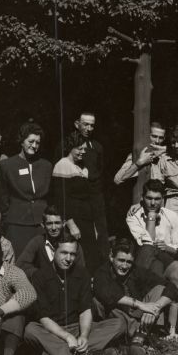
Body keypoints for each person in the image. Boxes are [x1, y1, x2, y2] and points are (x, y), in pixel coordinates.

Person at [24, 231, 124, 355]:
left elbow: (85, 310)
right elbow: (43, 318)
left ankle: (58, 353)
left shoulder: (82, 274)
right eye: (64, 253)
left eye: (72, 254)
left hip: (76, 327)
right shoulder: (40, 276)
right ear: (54, 251)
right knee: (30, 330)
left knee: (118, 324)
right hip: (51, 331)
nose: (68, 258)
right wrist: (66, 337)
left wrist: (83, 335)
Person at [93, 238, 178, 355]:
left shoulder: (136, 271)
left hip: (138, 318)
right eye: (121, 260)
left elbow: (172, 288)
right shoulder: (102, 272)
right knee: (98, 301)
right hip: (116, 320)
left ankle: (138, 340)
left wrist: (155, 308)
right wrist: (140, 305)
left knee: (159, 289)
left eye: (129, 262)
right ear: (111, 257)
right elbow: (106, 293)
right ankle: (134, 340)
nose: (125, 266)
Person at [0, 121, 52, 256]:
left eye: (38, 142)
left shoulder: (46, 166)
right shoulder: (7, 165)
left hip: (41, 224)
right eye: (31, 141)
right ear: (21, 141)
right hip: (16, 224)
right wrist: (8, 220)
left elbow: (50, 196)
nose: (34, 145)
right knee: (19, 262)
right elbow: (1, 198)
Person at [52, 131, 99, 273]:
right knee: (77, 258)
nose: (83, 152)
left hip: (87, 220)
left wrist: (94, 226)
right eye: (80, 148)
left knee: (90, 259)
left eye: (84, 148)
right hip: (75, 220)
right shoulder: (62, 164)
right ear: (70, 147)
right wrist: (71, 224)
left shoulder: (81, 167)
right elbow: (60, 198)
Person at [67, 111, 110, 263]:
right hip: (76, 202)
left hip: (95, 201)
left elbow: (100, 172)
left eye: (92, 125)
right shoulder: (67, 145)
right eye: (85, 124)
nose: (89, 128)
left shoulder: (97, 147)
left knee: (100, 241)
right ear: (77, 124)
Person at [126, 179, 178, 275]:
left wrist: (167, 248)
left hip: (167, 257)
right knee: (156, 264)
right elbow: (149, 243)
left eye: (157, 199)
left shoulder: (171, 215)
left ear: (162, 198)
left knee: (159, 264)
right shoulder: (133, 216)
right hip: (144, 259)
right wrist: (151, 217)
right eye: (149, 198)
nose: (153, 203)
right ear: (142, 197)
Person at [16, 205, 86, 280]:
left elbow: (81, 269)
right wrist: (41, 275)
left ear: (63, 223)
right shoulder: (37, 242)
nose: (53, 228)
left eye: (57, 223)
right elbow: (21, 265)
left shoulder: (72, 243)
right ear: (43, 225)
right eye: (49, 223)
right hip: (44, 285)